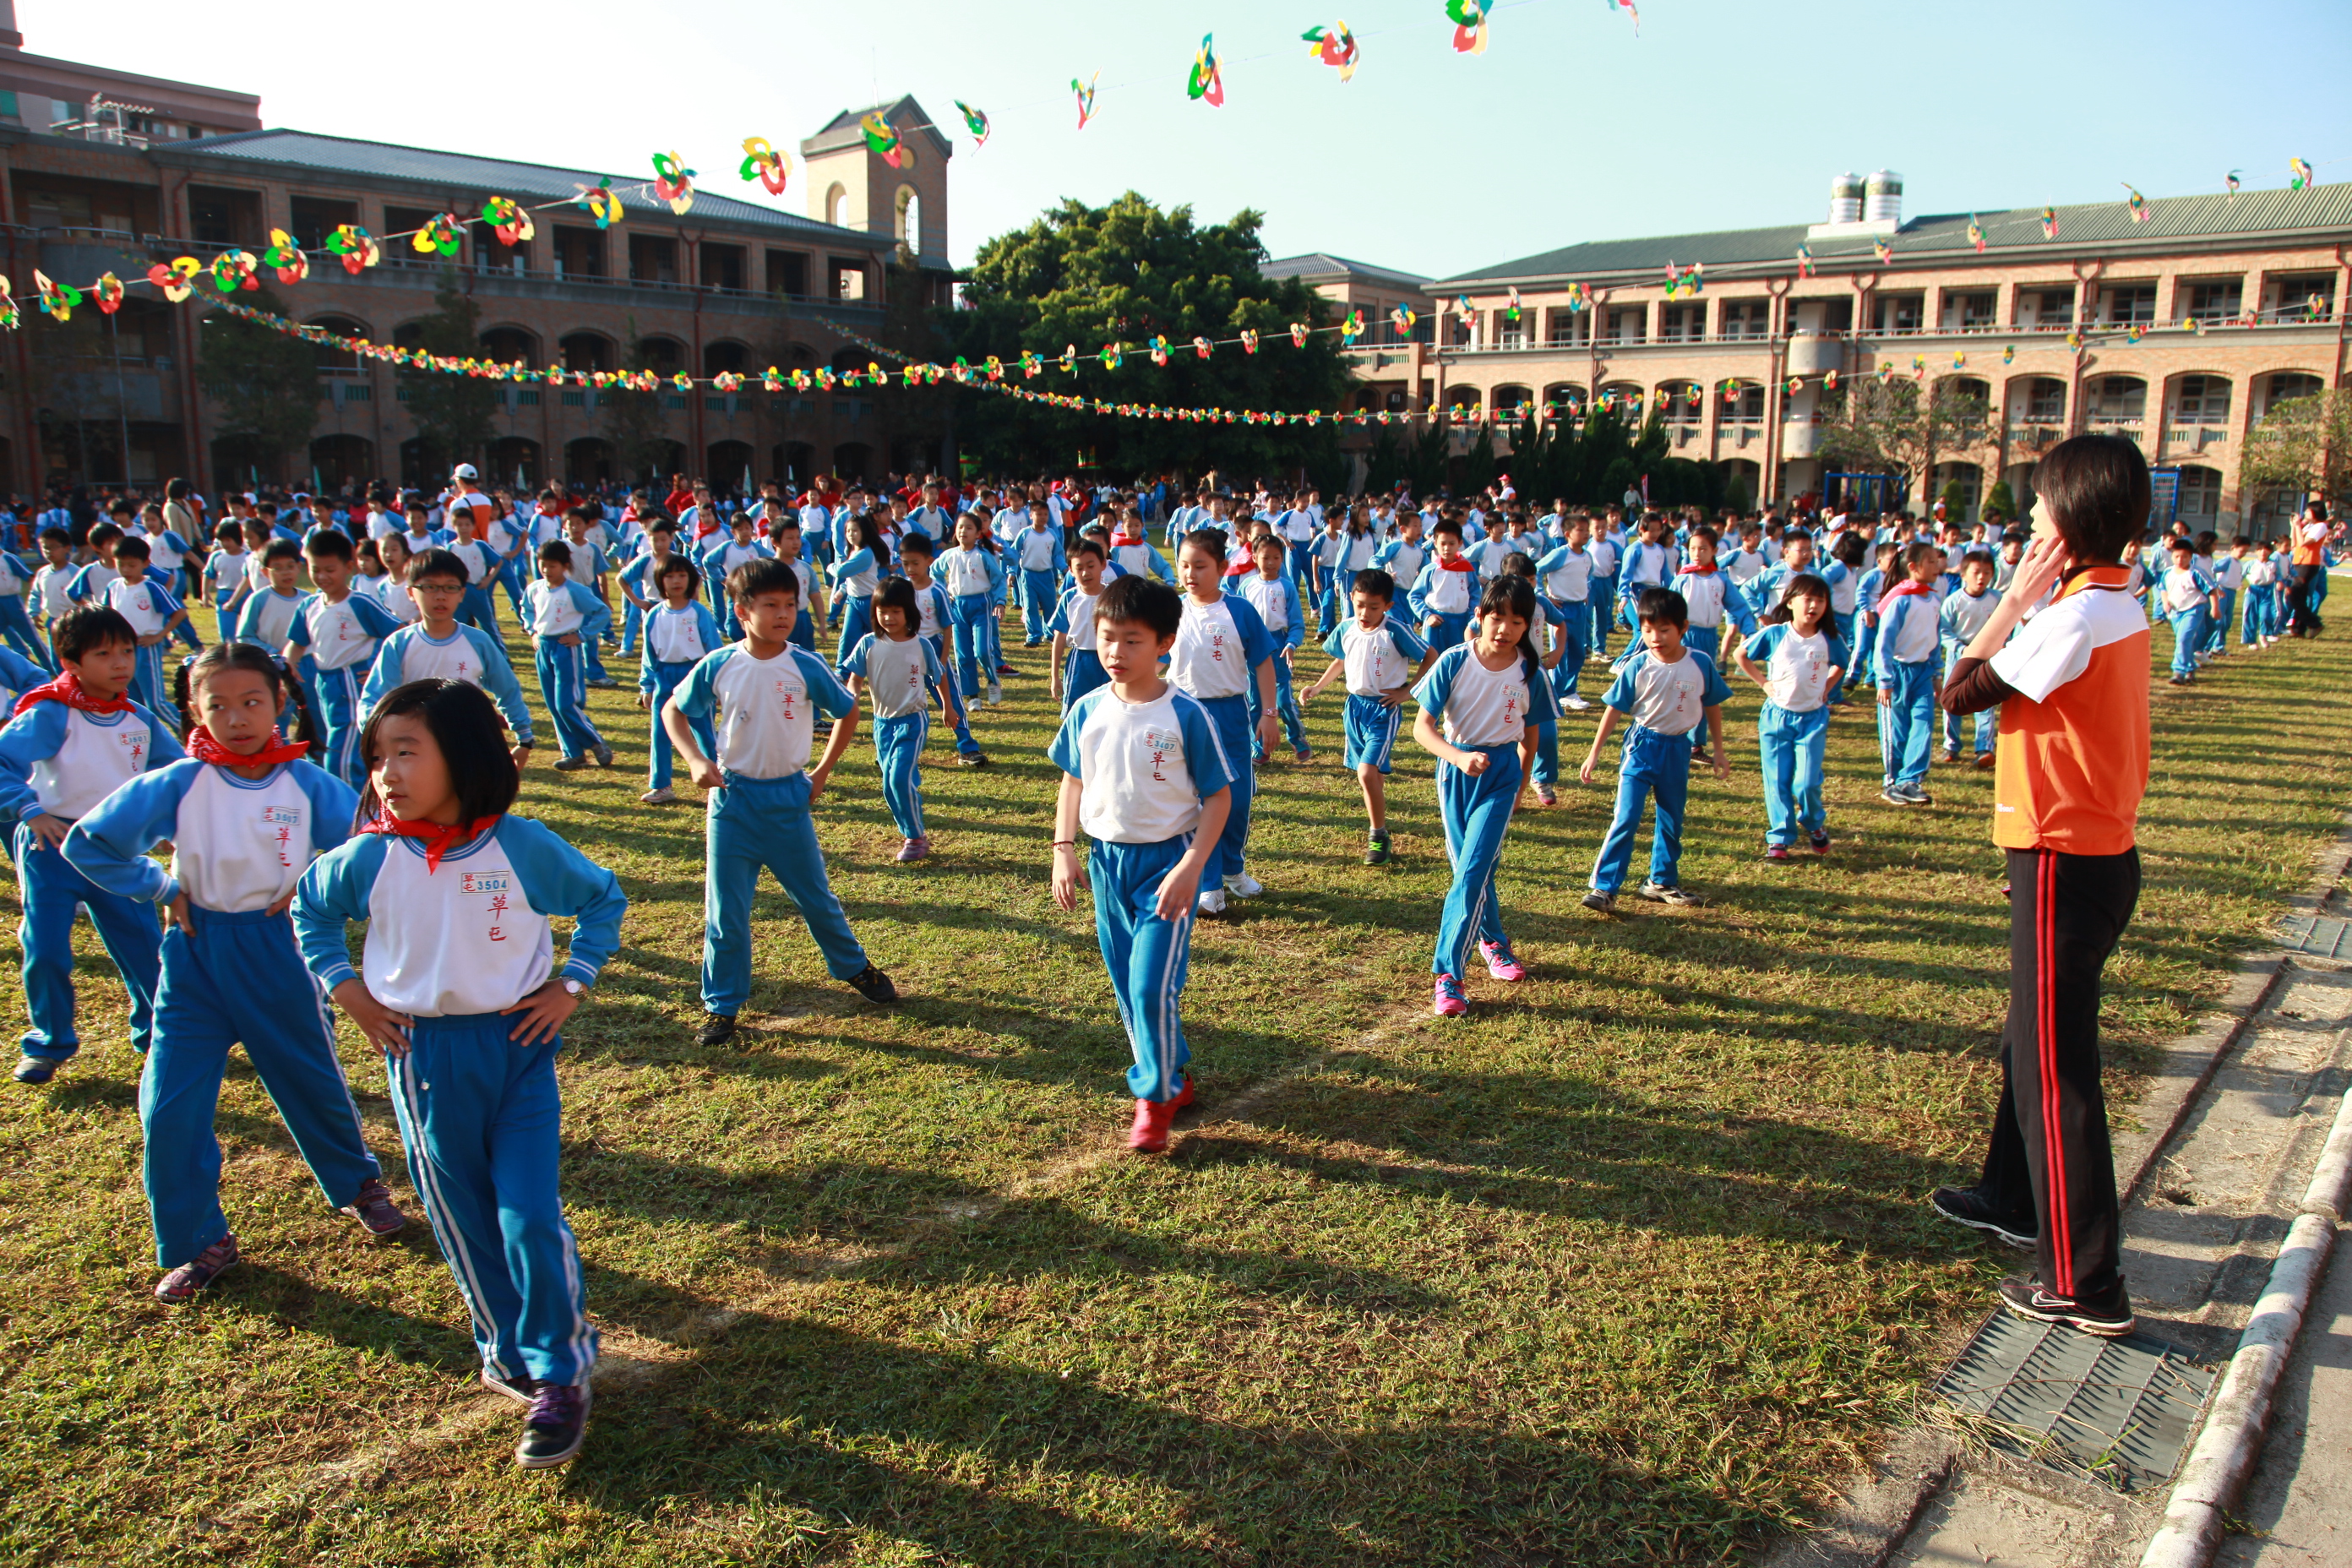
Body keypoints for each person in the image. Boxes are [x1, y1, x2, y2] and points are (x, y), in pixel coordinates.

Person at [295, 678, 626, 1466]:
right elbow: (311, 911)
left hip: (518, 1050)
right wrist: (348, 992)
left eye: (407, 752)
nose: (387, 773)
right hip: (426, 1059)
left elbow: (602, 899)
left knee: (528, 1215)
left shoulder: (521, 845)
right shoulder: (370, 855)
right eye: (378, 756)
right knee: (467, 1220)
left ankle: (559, 1373)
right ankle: (508, 1354)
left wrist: (572, 983)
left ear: (466, 755)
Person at [63, 642, 407, 1302]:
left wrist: (311, 884)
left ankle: (358, 1183)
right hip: (193, 956)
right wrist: (160, 886)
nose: (236, 717)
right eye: (217, 705)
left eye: (251, 701)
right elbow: (89, 842)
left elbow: (375, 845)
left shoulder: (305, 782)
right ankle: (199, 1240)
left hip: (277, 951)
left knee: (308, 1077)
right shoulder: (180, 781)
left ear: (280, 701)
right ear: (195, 711)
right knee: (168, 1106)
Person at [1930, 433, 2154, 1338]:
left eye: (2039, 501)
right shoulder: (2111, 599)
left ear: (2072, 516)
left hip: (2067, 854)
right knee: (2029, 1040)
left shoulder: (2071, 618)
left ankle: (2087, 1280)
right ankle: (2013, 1194)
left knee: (2056, 1071)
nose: (2026, 516)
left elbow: (1957, 691)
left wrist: (2012, 601)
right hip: (2082, 850)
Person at [663, 559, 899, 1046]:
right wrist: (694, 760)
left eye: (790, 604)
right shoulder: (720, 664)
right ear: (741, 611)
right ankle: (721, 1006)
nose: (783, 614)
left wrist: (822, 771)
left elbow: (848, 710)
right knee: (726, 913)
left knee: (816, 899)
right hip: (732, 803)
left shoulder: (804, 664)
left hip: (788, 800)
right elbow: (673, 710)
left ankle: (853, 967)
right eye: (770, 605)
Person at [1047, 574, 1233, 1154]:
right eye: (1107, 638)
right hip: (1107, 863)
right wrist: (1063, 849)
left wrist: (1193, 867)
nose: (1116, 652)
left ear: (1164, 644)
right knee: (1129, 988)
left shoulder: (1186, 714)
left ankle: (1153, 1096)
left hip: (1168, 866)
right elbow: (1072, 781)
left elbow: (1219, 797)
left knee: (1152, 986)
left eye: (1132, 640)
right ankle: (1173, 1073)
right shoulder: (1086, 709)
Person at [0, 607, 187, 1083]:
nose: (120, 663)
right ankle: (48, 1042)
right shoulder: (50, 711)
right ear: (71, 663)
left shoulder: (138, 718)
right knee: (45, 948)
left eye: (126, 650)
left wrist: (177, 826)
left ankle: (159, 1032)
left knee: (145, 947)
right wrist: (29, 809)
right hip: (51, 848)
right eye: (103, 654)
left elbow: (177, 778)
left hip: (115, 850)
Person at [1411, 575, 1554, 1016]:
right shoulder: (1454, 660)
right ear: (1479, 616)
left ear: (1528, 626)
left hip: (1502, 776)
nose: (1505, 629)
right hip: (1456, 774)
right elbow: (1422, 729)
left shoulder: (1531, 673)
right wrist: (1457, 757)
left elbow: (1531, 738)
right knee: (1470, 871)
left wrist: (1520, 787)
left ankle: (1448, 977)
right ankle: (1494, 942)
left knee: (1472, 871)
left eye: (1517, 622)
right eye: (1497, 617)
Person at [1580, 588, 1731, 912]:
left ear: (1683, 628)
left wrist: (1718, 750)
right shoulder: (1638, 665)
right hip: (1642, 746)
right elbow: (1614, 709)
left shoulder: (1700, 663)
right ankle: (1604, 887)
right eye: (1648, 630)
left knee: (1671, 819)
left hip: (1678, 748)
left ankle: (1660, 882)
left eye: (1664, 630)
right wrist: (1594, 753)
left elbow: (1713, 705)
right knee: (1626, 817)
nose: (1655, 638)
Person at [1168, 530, 1277, 916]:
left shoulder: (1240, 610)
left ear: (1223, 568)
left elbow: (1263, 662)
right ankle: (1208, 884)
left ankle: (1233, 868)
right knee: (1202, 800)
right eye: (1184, 565)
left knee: (1237, 798)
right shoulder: (1172, 611)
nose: (1190, 574)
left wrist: (1268, 714)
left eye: (1200, 566)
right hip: (1185, 714)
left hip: (1231, 715)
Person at [1302, 568, 1428, 865]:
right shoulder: (1346, 628)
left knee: (1367, 772)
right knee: (1372, 775)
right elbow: (1341, 659)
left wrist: (1408, 691)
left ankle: (1378, 835)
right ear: (1351, 598)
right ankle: (1379, 823)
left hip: (1383, 710)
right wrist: (1317, 687)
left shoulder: (1395, 630)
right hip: (1354, 708)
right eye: (1360, 605)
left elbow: (1430, 655)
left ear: (1388, 605)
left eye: (1373, 607)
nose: (1365, 613)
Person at [362, 549, 536, 764]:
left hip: (468, 746)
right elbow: (373, 699)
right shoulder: (399, 643)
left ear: (462, 593)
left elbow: (507, 689)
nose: (440, 596)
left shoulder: (478, 642)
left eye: (450, 587)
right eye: (430, 587)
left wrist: (524, 738)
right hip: (414, 752)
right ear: (410, 592)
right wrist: (377, 734)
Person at [1734, 574, 1848, 860]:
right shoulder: (1776, 634)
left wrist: (1828, 686)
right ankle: (1780, 837)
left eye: (1820, 600)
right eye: (1808, 599)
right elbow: (1741, 654)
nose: (1814, 606)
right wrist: (1764, 683)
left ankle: (1813, 822)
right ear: (1790, 601)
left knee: (1806, 782)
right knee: (1777, 780)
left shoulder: (1829, 638)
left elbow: (1842, 664)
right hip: (1777, 717)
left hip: (1812, 719)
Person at [842, 577, 952, 863]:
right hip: (882, 724)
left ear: (909, 612)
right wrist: (851, 697)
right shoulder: (868, 643)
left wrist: (948, 708)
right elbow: (855, 678)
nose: (889, 617)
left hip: (912, 721)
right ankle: (908, 824)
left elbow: (939, 676)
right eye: (883, 611)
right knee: (889, 785)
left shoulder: (921, 645)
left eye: (896, 611)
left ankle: (915, 837)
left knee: (898, 778)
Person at [283, 529, 404, 788]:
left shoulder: (360, 603)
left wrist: (379, 668)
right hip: (322, 682)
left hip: (351, 681)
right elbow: (296, 644)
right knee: (328, 742)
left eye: (330, 570)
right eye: (316, 570)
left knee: (342, 756)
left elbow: (399, 635)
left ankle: (349, 803)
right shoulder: (308, 606)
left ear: (349, 567)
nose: (322, 577)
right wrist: (289, 663)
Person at [636, 554, 721, 806]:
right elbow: (649, 653)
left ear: (690, 580)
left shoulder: (699, 613)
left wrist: (716, 683)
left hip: (694, 676)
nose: (676, 581)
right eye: (670, 576)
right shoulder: (654, 615)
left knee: (704, 733)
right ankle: (661, 785)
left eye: (682, 575)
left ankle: (719, 780)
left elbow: (714, 651)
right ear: (660, 581)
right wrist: (647, 685)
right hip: (664, 677)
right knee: (660, 733)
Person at [525, 542, 614, 771]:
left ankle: (595, 741)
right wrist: (532, 631)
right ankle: (573, 753)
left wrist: (582, 635)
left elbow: (602, 611)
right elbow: (526, 609)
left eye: (552, 566)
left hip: (565, 647)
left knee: (565, 703)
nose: (546, 570)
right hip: (543, 648)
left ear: (565, 566)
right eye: (543, 564)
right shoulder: (535, 589)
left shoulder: (575, 590)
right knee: (553, 706)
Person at [1873, 542, 1946, 807]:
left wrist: (1936, 673)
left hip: (1923, 673)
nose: (1937, 566)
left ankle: (1911, 780)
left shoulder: (1934, 599)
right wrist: (1884, 679)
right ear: (1913, 567)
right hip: (1897, 672)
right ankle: (1892, 782)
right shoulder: (1900, 599)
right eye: (1931, 561)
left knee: (1923, 724)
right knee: (1897, 731)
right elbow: (1884, 642)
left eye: (1937, 561)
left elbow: (1934, 639)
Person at [1234, 531, 1310, 763]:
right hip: (1253, 648)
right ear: (1254, 558)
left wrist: (1291, 644)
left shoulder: (1287, 587)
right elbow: (1238, 620)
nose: (1271, 562)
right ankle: (1260, 747)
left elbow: (1297, 623)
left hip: (1278, 646)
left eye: (1276, 557)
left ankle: (1297, 738)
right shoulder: (1246, 586)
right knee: (1255, 702)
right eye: (1265, 557)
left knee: (1284, 701)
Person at [101, 535, 189, 727]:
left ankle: (188, 732)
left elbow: (179, 613)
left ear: (146, 563)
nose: (126, 570)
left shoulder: (152, 587)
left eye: (131, 565)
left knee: (156, 703)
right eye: (121, 564)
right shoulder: (113, 587)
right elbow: (106, 614)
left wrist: (159, 636)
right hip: (121, 650)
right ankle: (145, 736)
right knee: (132, 701)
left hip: (145, 647)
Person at [1938, 549, 2003, 765]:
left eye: (1987, 572)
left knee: (1985, 701)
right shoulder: (1953, 601)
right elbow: (1943, 630)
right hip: (1959, 657)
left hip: (1986, 658)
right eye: (1976, 572)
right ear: (1963, 575)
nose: (1981, 577)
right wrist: (1959, 648)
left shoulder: (1997, 599)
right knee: (1952, 700)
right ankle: (1951, 746)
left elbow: (2005, 624)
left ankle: (1984, 748)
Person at [1048, 539, 1111, 710]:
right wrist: (1055, 676)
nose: (1085, 573)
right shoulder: (1069, 598)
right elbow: (1059, 638)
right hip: (1081, 661)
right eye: (1079, 568)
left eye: (1091, 566)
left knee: (1109, 707)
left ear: (1103, 565)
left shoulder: (1113, 597)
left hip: (1110, 658)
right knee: (1077, 708)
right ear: (1071, 570)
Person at [2157, 535, 2219, 687]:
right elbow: (2163, 588)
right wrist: (2165, 602)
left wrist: (2215, 608)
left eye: (2185, 557)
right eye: (2177, 556)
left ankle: (2178, 672)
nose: (2180, 560)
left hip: (2194, 609)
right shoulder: (2168, 572)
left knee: (2183, 639)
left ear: (2191, 557)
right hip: (2176, 611)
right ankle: (2190, 669)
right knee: (2184, 641)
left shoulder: (2196, 572)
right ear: (2172, 556)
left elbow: (2211, 590)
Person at [1014, 501, 1068, 646]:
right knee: (1030, 607)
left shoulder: (1051, 534)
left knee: (1050, 606)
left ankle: (1050, 634)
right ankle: (1034, 636)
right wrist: (1011, 571)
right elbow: (1014, 553)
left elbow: (1057, 554)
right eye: (1039, 514)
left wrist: (1064, 568)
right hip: (1028, 575)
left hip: (1047, 575)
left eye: (1045, 514)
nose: (1043, 517)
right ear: (1031, 515)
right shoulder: (1025, 533)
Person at [2284, 499, 2329, 637]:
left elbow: (2304, 543)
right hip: (2299, 561)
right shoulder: (2309, 526)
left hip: (2308, 563)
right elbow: (2295, 544)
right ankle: (2299, 629)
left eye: (2308, 510)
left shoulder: (2320, 526)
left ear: (2316, 512)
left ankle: (2315, 623)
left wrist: (2298, 526)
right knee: (2300, 596)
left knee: (2294, 594)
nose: (2305, 513)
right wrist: (2294, 527)